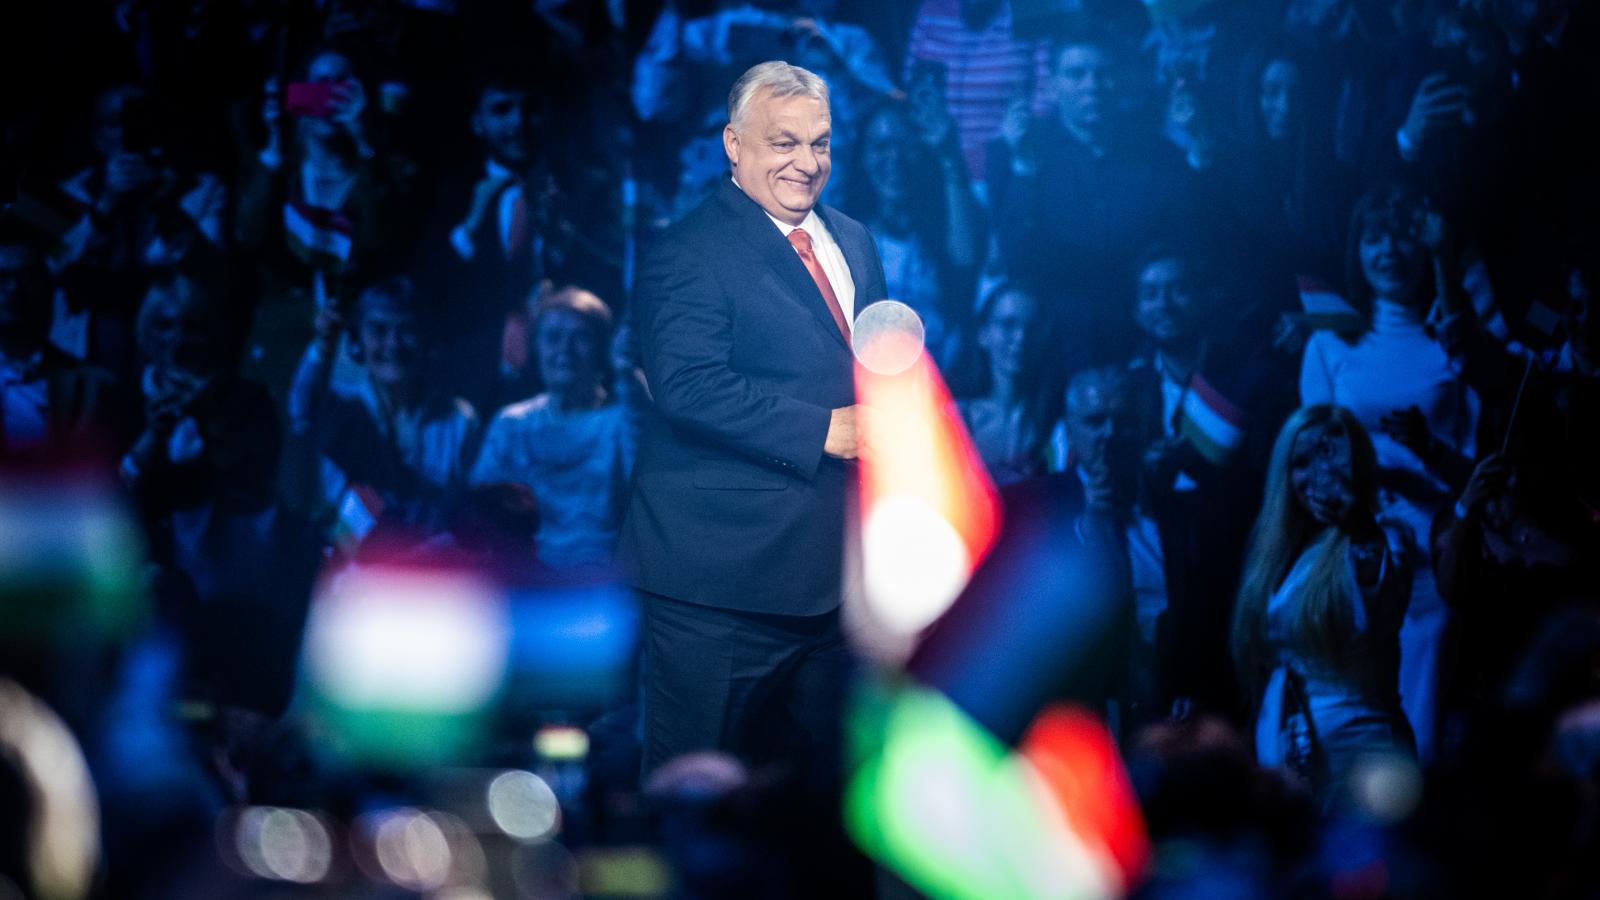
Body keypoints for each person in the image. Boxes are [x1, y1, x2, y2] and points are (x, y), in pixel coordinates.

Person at [618, 61, 886, 789]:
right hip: (718, 589)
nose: (807, 163)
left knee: (832, 801)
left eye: (820, 143)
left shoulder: (854, 240)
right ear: (734, 145)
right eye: (784, 143)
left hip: (835, 585)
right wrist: (823, 430)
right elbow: (688, 387)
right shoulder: (685, 251)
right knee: (693, 796)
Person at [1299, 185, 1480, 762]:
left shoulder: (1453, 343)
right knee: (1350, 719)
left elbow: (1475, 462)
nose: (1388, 252)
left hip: (1434, 555)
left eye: (1401, 237)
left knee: (1423, 722)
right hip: (1354, 555)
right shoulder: (1328, 345)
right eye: (1374, 238)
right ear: (1356, 250)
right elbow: (1310, 461)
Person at [1232, 404, 1414, 799]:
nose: (1317, 474)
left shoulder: (1386, 536)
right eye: (1301, 462)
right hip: (1288, 759)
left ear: (1357, 463)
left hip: (1362, 756)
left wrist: (1359, 528)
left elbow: (1375, 610)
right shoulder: (1273, 551)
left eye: (1329, 456)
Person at [471, 287, 637, 571]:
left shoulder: (623, 422)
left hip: (603, 584)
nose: (565, 349)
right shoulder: (512, 424)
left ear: (602, 349)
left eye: (580, 337)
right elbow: (480, 512)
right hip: (524, 582)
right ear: (536, 346)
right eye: (552, 337)